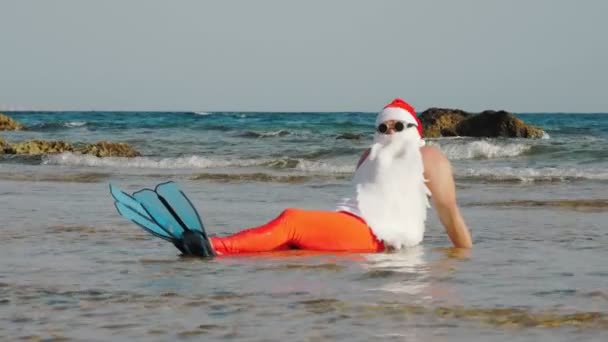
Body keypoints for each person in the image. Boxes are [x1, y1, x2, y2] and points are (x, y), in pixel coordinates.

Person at [110, 98, 472, 258]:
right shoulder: (368, 154)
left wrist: (465, 257)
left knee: (292, 221)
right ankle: (216, 252)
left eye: (398, 125)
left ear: (414, 128)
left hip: (378, 238)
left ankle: (216, 247)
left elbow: (449, 212)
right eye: (383, 125)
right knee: (285, 248)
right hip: (352, 225)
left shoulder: (429, 156)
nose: (390, 130)